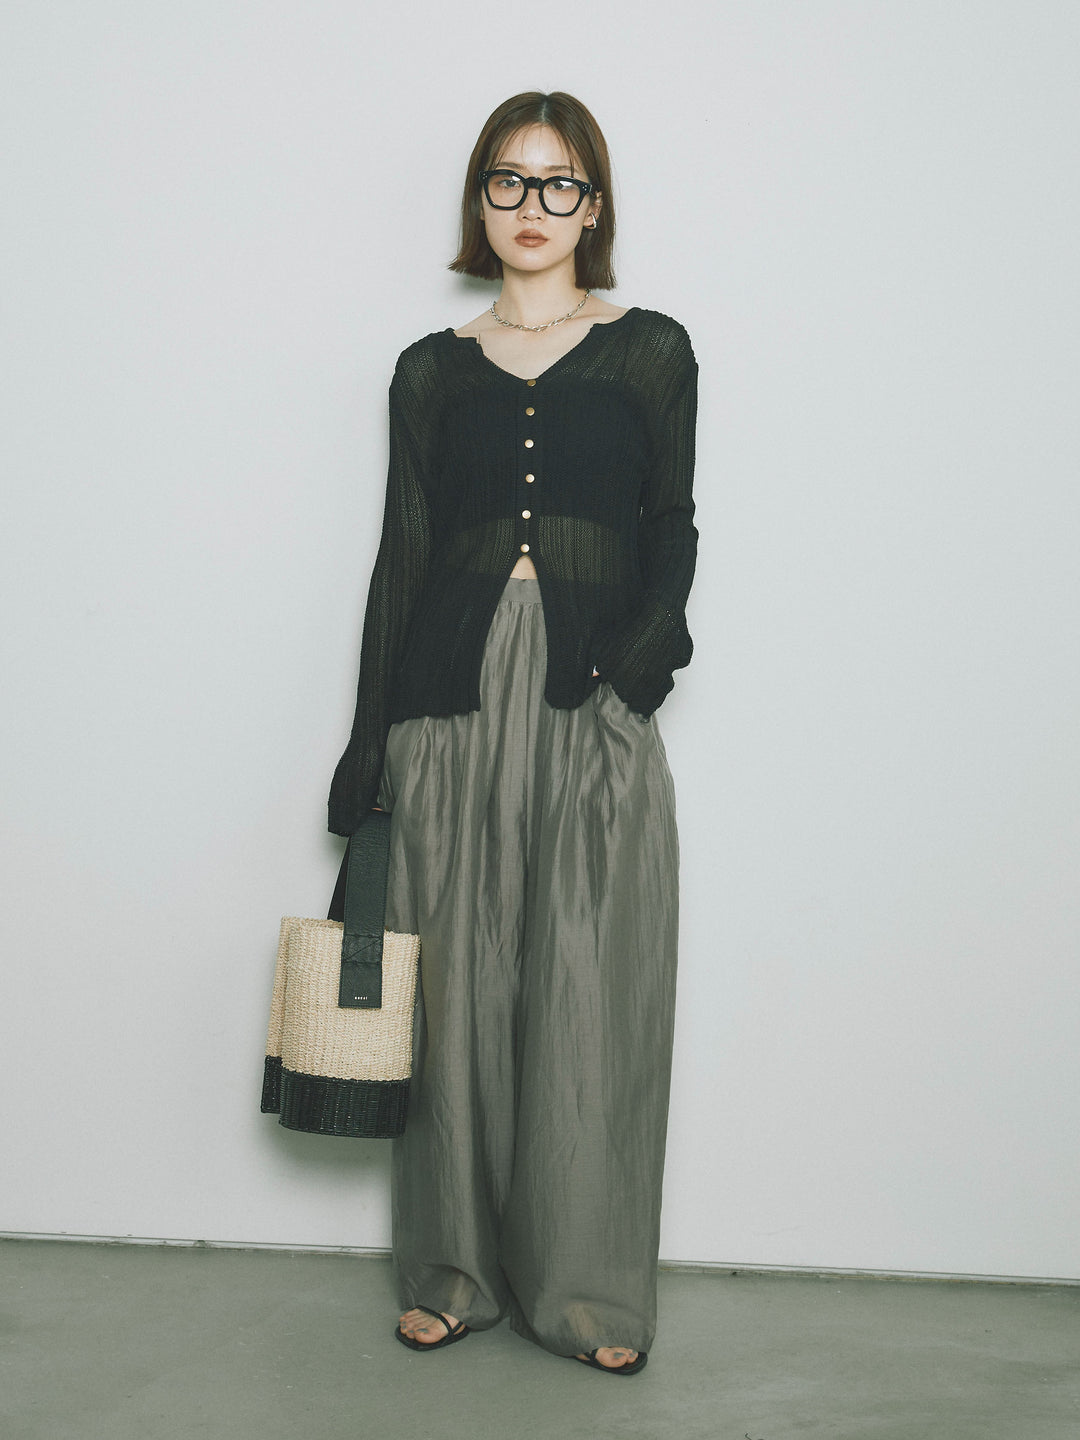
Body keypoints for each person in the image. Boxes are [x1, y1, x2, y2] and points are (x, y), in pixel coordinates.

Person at [328, 91, 698, 1376]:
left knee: (591, 987)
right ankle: (452, 1274)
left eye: (560, 183)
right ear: (479, 199)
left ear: (594, 206)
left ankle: (585, 1295)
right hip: (448, 698)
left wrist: (638, 671)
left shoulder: (651, 353)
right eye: (508, 180)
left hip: (591, 689)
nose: (532, 206)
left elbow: (672, 526)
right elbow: (405, 556)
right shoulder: (429, 372)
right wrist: (368, 748)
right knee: (457, 995)